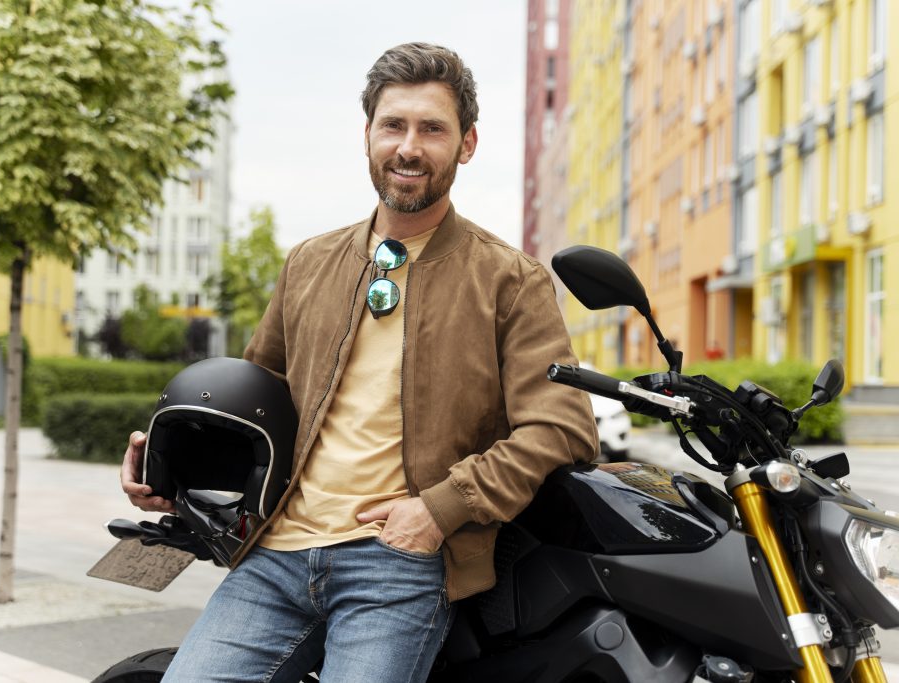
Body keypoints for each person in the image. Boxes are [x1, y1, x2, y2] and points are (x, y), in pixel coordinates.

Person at [120, 42, 597, 683]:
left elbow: (561, 428)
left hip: (396, 562)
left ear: (467, 143)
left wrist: (439, 509)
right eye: (393, 125)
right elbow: (257, 402)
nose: (409, 146)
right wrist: (172, 469)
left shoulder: (510, 280)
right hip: (278, 552)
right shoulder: (308, 264)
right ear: (367, 135)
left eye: (432, 128)